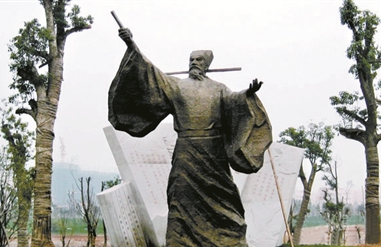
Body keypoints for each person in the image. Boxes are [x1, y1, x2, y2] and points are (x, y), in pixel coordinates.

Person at [108, 28, 272, 247]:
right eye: (191, 59)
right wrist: (132, 45)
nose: (194, 62)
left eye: (199, 59)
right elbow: (150, 74)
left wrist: (248, 94)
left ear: (207, 64)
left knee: (225, 201)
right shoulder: (176, 86)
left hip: (213, 155)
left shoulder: (219, 89)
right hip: (185, 154)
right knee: (181, 200)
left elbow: (234, 102)